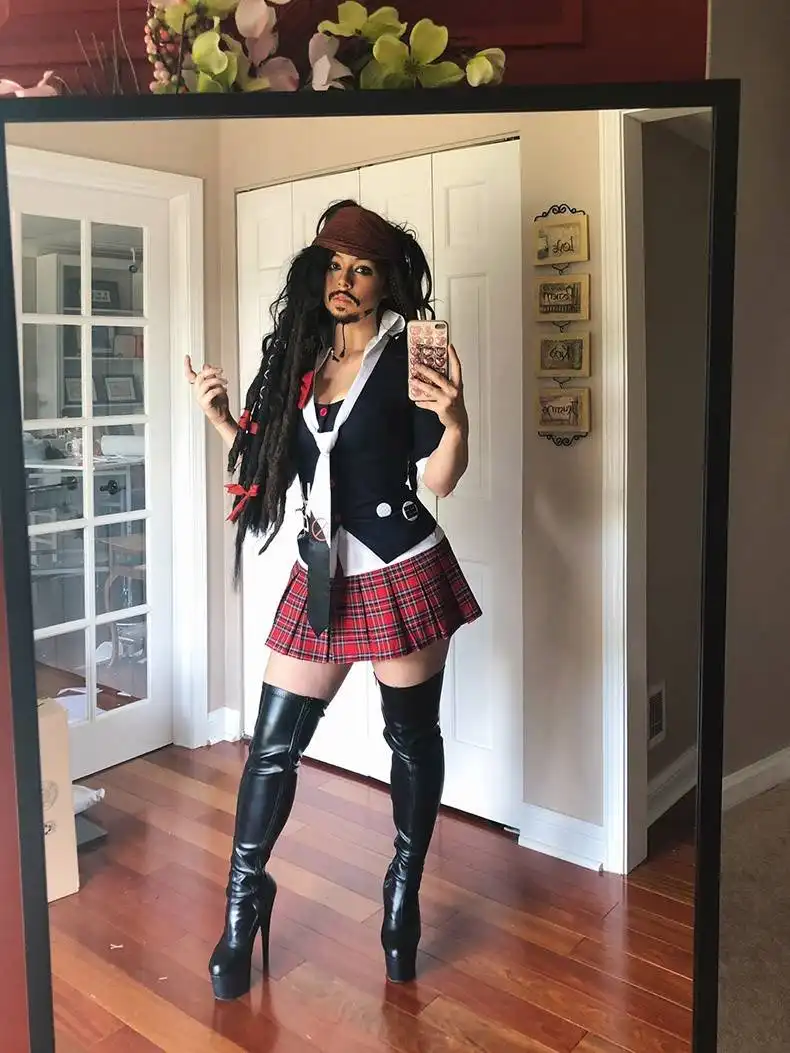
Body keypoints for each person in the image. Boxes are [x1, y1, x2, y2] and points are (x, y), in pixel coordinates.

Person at [186, 199, 481, 1000]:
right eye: (335, 266)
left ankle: (403, 890)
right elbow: (278, 465)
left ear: (385, 283)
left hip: (401, 567)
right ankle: (243, 906)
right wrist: (223, 421)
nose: (345, 281)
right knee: (271, 747)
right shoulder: (303, 360)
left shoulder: (409, 356)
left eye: (363, 269)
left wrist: (455, 421)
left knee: (410, 740)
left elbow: (442, 479)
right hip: (321, 572)